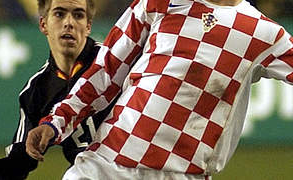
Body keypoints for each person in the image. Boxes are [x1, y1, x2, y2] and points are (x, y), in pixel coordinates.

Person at [26, 0, 293, 179]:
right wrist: (55, 122)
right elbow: (104, 73)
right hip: (107, 164)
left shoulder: (266, 34)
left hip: (181, 172)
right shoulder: (159, 3)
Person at [0, 0, 117, 179]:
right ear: (43, 24)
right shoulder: (37, 90)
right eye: (59, 14)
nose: (69, 23)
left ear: (88, 26)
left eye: (78, 15)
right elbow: (18, 159)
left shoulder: (117, 66)